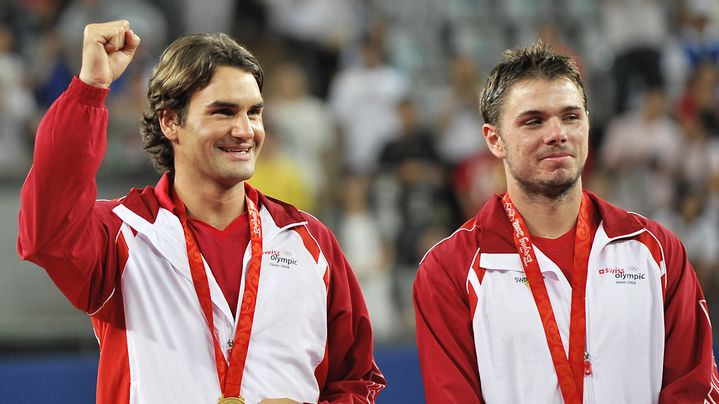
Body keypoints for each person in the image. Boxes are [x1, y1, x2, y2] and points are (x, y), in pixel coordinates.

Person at [17, 20, 385, 404]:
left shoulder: (309, 241)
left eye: (254, 112)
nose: (246, 130)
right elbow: (45, 233)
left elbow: (357, 380)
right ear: (171, 121)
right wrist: (90, 89)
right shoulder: (123, 235)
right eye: (224, 112)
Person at [413, 41, 719, 404]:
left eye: (571, 116)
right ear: (494, 140)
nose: (557, 133)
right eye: (533, 120)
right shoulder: (449, 269)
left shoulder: (656, 251)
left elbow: (694, 388)